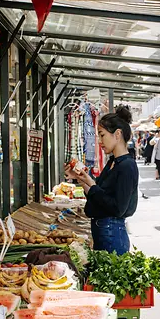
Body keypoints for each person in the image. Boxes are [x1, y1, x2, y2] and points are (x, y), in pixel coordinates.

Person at [65, 105, 138, 255]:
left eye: (102, 135)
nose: (99, 141)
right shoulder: (113, 162)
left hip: (112, 234)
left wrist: (90, 183)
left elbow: (118, 208)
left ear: (117, 135)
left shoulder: (127, 166)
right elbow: (98, 195)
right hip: (104, 231)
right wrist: (81, 179)